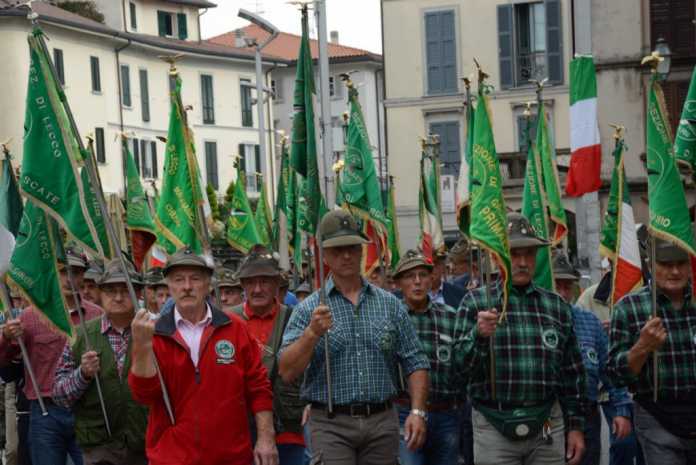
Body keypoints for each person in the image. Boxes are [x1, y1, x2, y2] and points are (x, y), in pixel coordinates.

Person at [279, 210, 430, 465]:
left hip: (382, 422)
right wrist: (311, 334)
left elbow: (415, 361)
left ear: (361, 250)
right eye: (337, 250)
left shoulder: (390, 305)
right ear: (324, 255)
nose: (346, 255)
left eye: (351, 247)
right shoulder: (309, 309)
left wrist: (417, 411)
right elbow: (286, 371)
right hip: (330, 424)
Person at [456, 213, 586, 465]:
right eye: (514, 254)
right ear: (497, 256)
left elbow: (573, 374)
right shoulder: (475, 303)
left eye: (529, 254)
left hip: (547, 423)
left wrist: (576, 427)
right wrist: (478, 336)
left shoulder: (556, 306)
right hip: (493, 426)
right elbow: (458, 371)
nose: (523, 262)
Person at [128, 247, 277, 465]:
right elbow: (143, 395)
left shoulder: (235, 328)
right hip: (172, 459)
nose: (187, 286)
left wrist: (266, 438)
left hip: (231, 458)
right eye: (179, 279)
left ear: (208, 284)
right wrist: (142, 346)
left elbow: (258, 387)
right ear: (169, 285)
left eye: (195, 278)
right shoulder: (153, 333)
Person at [0, 249, 102, 465]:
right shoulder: (30, 316)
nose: (69, 278)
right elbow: (4, 360)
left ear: (83, 276)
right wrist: (6, 337)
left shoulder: (97, 315)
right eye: (62, 272)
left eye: (75, 272)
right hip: (45, 412)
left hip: (88, 409)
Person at [608, 237, 696, 464]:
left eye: (680, 263)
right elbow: (616, 375)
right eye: (666, 264)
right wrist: (643, 346)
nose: (674, 271)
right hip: (657, 418)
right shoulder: (628, 308)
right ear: (651, 264)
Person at [53, 261, 149, 465]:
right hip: (99, 446)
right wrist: (82, 374)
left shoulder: (154, 331)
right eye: (111, 290)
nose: (118, 297)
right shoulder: (80, 336)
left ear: (139, 293)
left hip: (146, 442)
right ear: (100, 293)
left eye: (126, 290)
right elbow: (59, 395)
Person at [552, 253, 633, 465]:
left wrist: (621, 410)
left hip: (587, 415)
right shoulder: (536, 321)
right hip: (550, 417)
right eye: (557, 286)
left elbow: (610, 370)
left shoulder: (589, 322)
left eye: (567, 286)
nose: (562, 293)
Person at [231, 247, 306, 465]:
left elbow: (312, 365)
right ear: (243, 285)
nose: (257, 289)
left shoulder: (296, 318)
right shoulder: (226, 320)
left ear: (276, 284)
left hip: (288, 429)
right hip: (240, 430)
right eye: (250, 282)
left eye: (264, 282)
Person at [393, 249, 463, 465]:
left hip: (446, 413)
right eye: (409, 276)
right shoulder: (391, 319)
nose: (417, 282)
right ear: (398, 283)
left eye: (422, 275)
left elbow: (464, 362)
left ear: (431, 279)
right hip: (404, 412)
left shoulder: (450, 316)